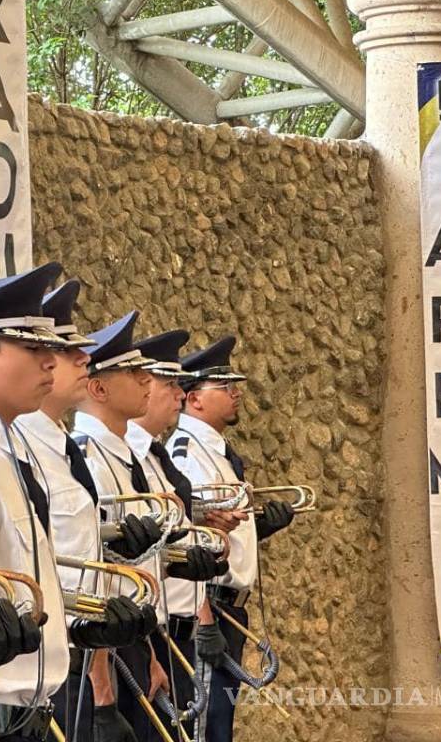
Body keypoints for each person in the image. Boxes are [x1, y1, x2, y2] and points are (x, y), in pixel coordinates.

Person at [0, 265, 150, 742]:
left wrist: (81, 625)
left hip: (29, 711)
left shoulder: (6, 450)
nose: (50, 362)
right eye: (33, 348)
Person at [12, 281, 163, 742]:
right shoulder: (18, 451)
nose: (83, 357)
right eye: (61, 350)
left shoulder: (60, 449)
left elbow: (85, 560)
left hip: (91, 652)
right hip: (53, 665)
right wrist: (100, 688)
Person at [72, 313, 225, 742]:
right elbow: (93, 578)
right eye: (133, 372)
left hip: (140, 638)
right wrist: (103, 691)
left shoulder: (125, 457)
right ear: (98, 388)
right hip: (103, 651)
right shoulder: (87, 459)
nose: (146, 380)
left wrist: (152, 651)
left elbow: (139, 566)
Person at [168, 336, 294, 742]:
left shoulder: (216, 452)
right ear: (194, 399)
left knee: (220, 725)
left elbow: (221, 527)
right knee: (205, 726)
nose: (236, 393)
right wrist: (204, 620)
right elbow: (188, 543)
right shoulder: (186, 453)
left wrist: (259, 526)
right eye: (224, 386)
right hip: (210, 608)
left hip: (228, 609)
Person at [127, 330, 227, 737]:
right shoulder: (126, 458)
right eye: (168, 383)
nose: (179, 394)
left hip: (176, 629)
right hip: (150, 634)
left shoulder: (155, 456)